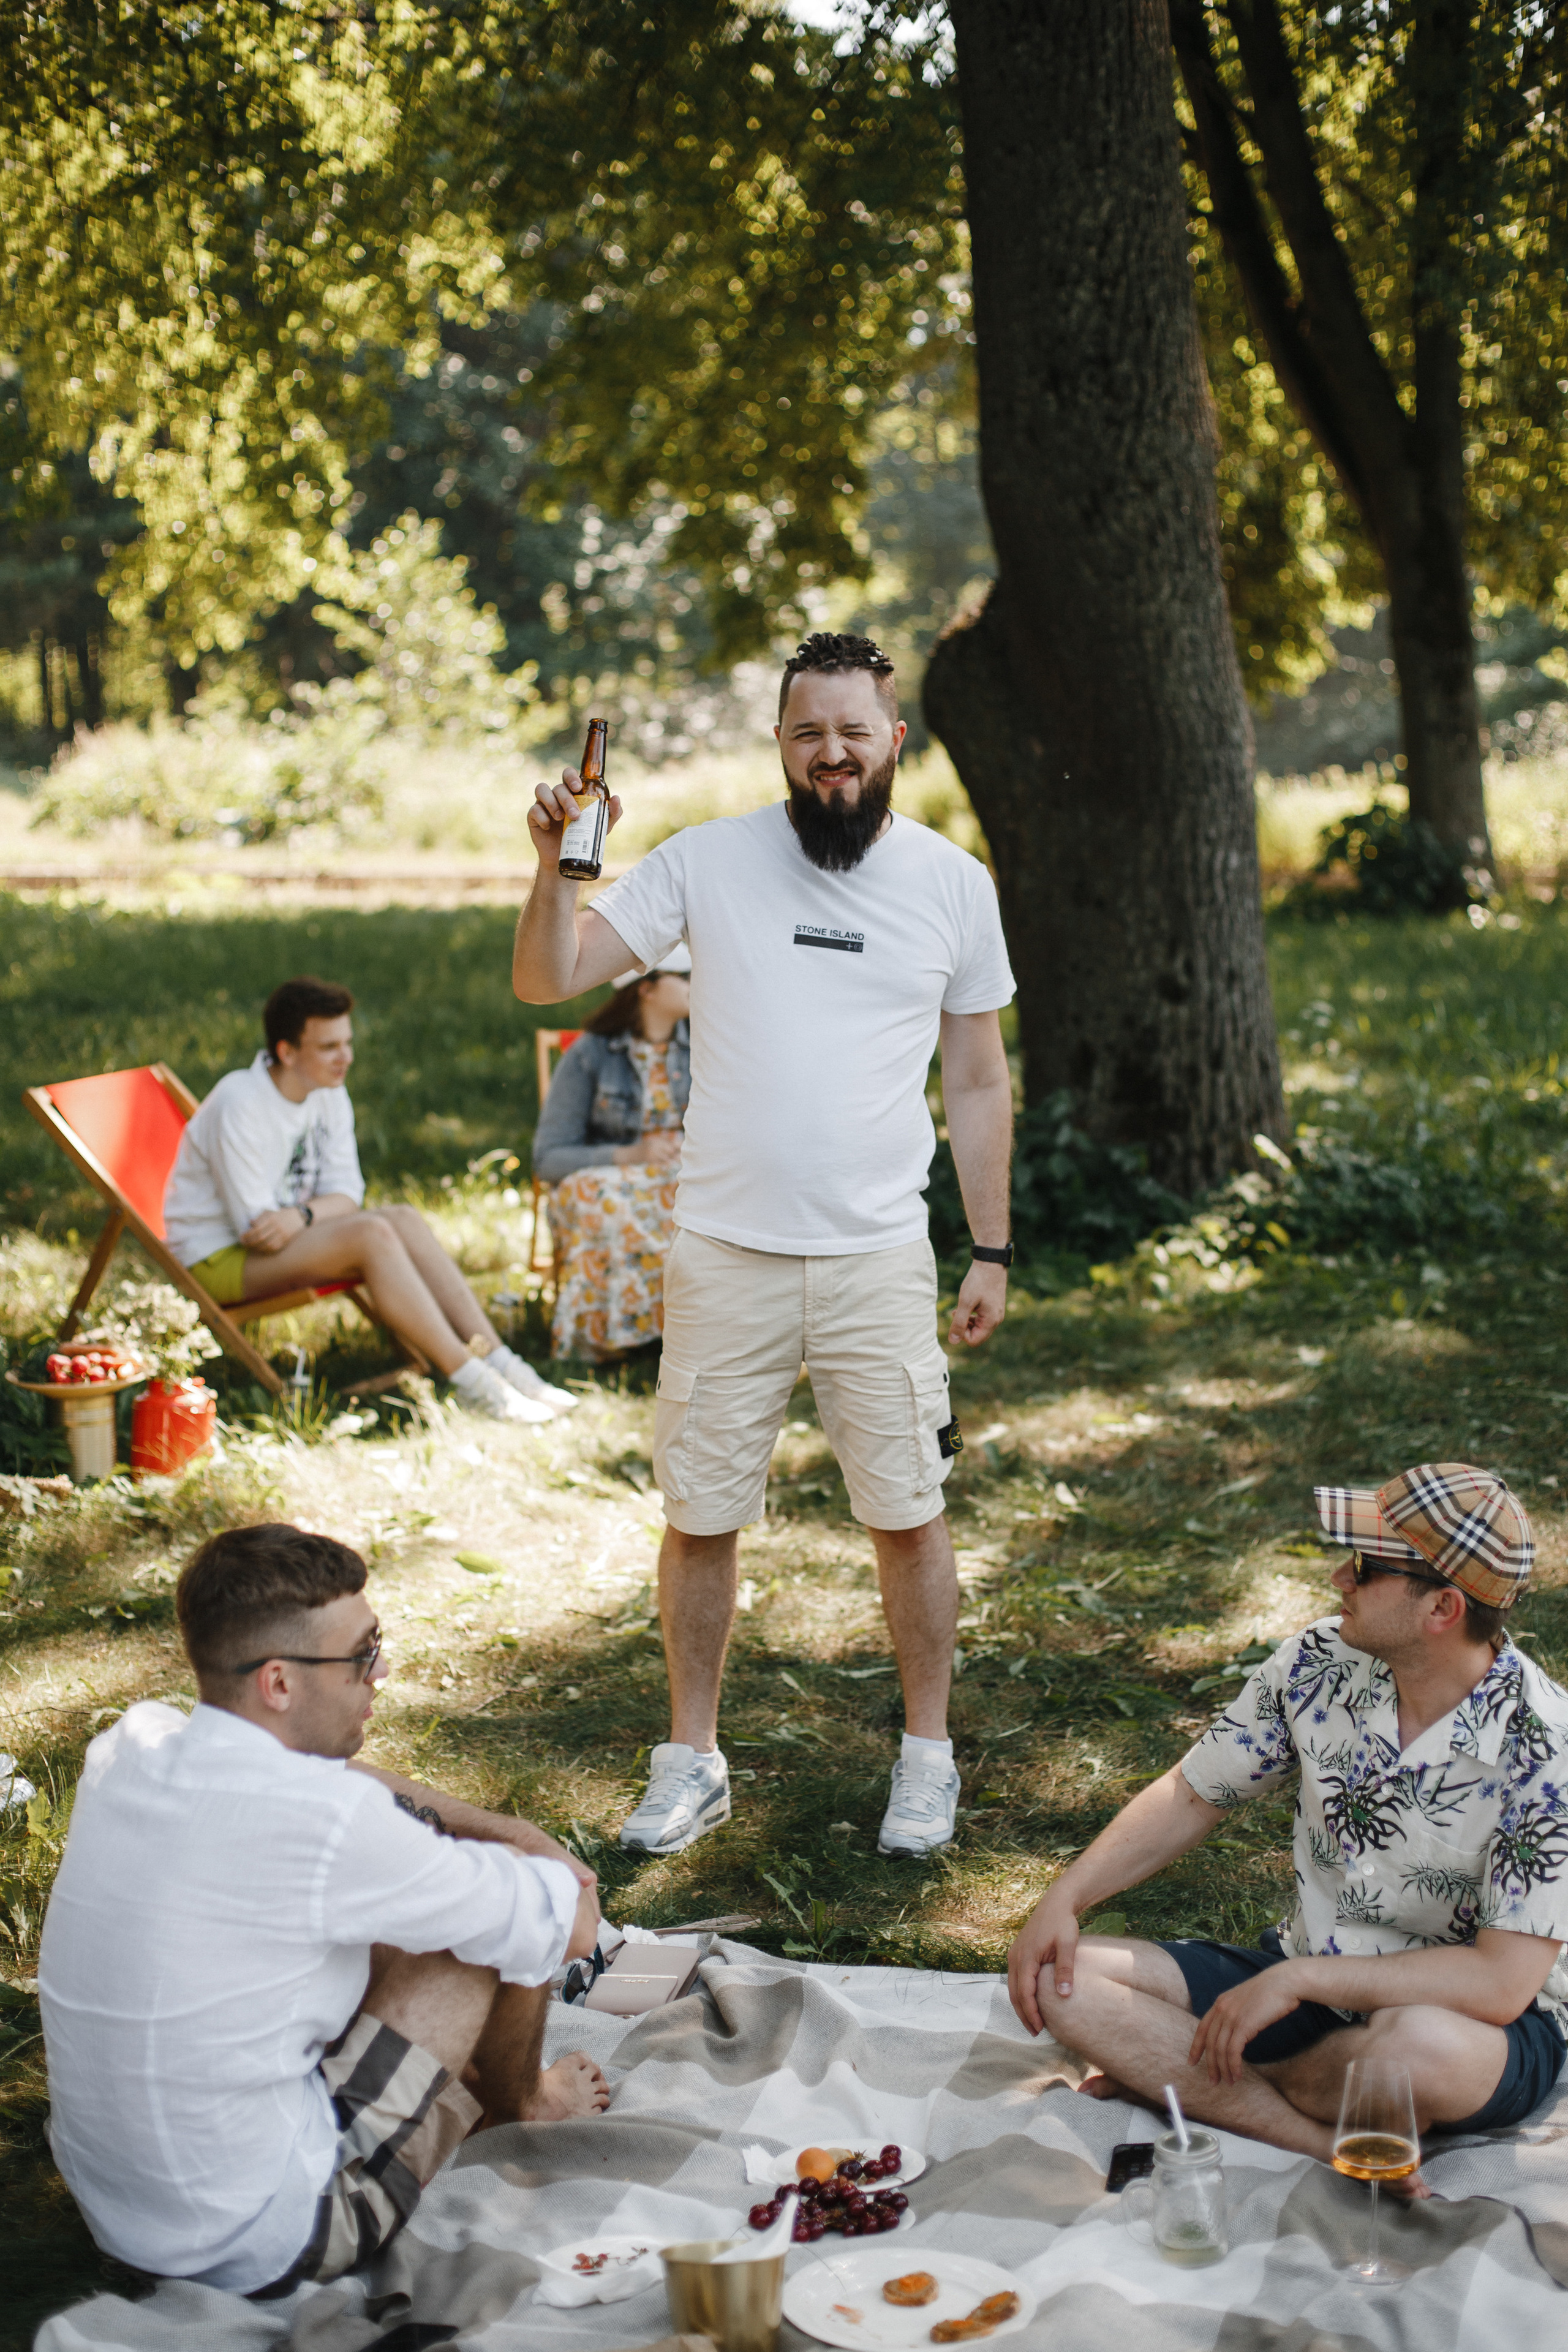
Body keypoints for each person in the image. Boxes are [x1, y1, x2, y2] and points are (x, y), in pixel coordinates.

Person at [513, 631, 1016, 1861]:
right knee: (699, 1514)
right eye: (808, 734)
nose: (831, 754)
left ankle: (927, 1759)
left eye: (852, 732)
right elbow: (549, 978)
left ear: (893, 739)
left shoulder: (952, 884)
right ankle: (690, 1761)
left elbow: (976, 1079)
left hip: (877, 1256)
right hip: (724, 1250)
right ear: (781, 744)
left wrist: (991, 1247)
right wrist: (551, 870)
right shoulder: (707, 861)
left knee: (908, 1513)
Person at [37, 1523, 608, 2296]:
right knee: (484, 1923)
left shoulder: (132, 1745)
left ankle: (460, 2095)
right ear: (279, 1683)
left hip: (123, 2214)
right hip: (271, 2244)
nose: (383, 1672)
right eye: (363, 1655)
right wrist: (528, 1852)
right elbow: (567, 1921)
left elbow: (346, 1788)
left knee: (416, 1906)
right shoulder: (328, 1824)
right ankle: (528, 2105)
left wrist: (505, 1826)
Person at [1006, 1464, 1568, 2184]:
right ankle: (1316, 2137)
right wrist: (1067, 1895)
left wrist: (1296, 1981)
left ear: (1442, 1608)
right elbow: (1192, 1794)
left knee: (1416, 2052)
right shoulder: (1317, 1661)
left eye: (1365, 1567)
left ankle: (1194, 2079)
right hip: (1306, 1977)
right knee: (1062, 1978)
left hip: (1471, 2024)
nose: (1339, 1578)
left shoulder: (1547, 1750)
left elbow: (1498, 1983)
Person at [163, 975, 573, 1423]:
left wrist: (304, 1215)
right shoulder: (240, 1103)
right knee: (372, 1234)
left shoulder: (328, 1092)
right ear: (287, 1052)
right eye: (329, 1047)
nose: (346, 1058)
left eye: (348, 1043)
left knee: (402, 1217)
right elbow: (260, 1230)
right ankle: (475, 1383)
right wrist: (314, 1216)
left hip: (283, 1236)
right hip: (219, 1259)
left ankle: (501, 1362)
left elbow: (348, 1193)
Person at [532, 945, 692, 1362]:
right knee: (601, 1197)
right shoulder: (590, 1054)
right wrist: (631, 1154)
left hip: (686, 1173)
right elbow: (548, 1160)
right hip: (615, 1175)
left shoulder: (705, 1044)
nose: (696, 985)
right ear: (646, 989)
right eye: (684, 977)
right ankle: (611, 1341)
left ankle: (684, 1334)